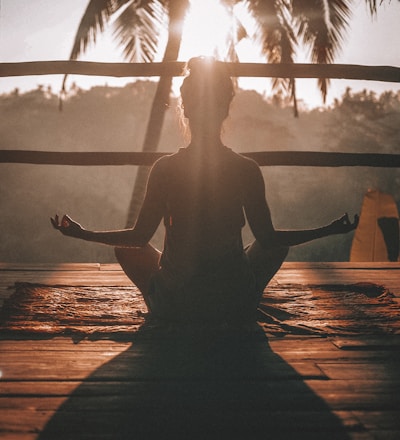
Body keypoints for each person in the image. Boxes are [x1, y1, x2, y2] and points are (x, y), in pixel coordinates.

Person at [51, 57, 358, 326]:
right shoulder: (246, 168)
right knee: (275, 245)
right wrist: (328, 229)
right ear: (225, 110)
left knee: (126, 249)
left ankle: (161, 305)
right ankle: (248, 299)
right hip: (232, 302)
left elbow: (138, 238)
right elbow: (269, 239)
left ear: (185, 110)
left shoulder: (166, 168)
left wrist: (83, 233)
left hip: (176, 305)